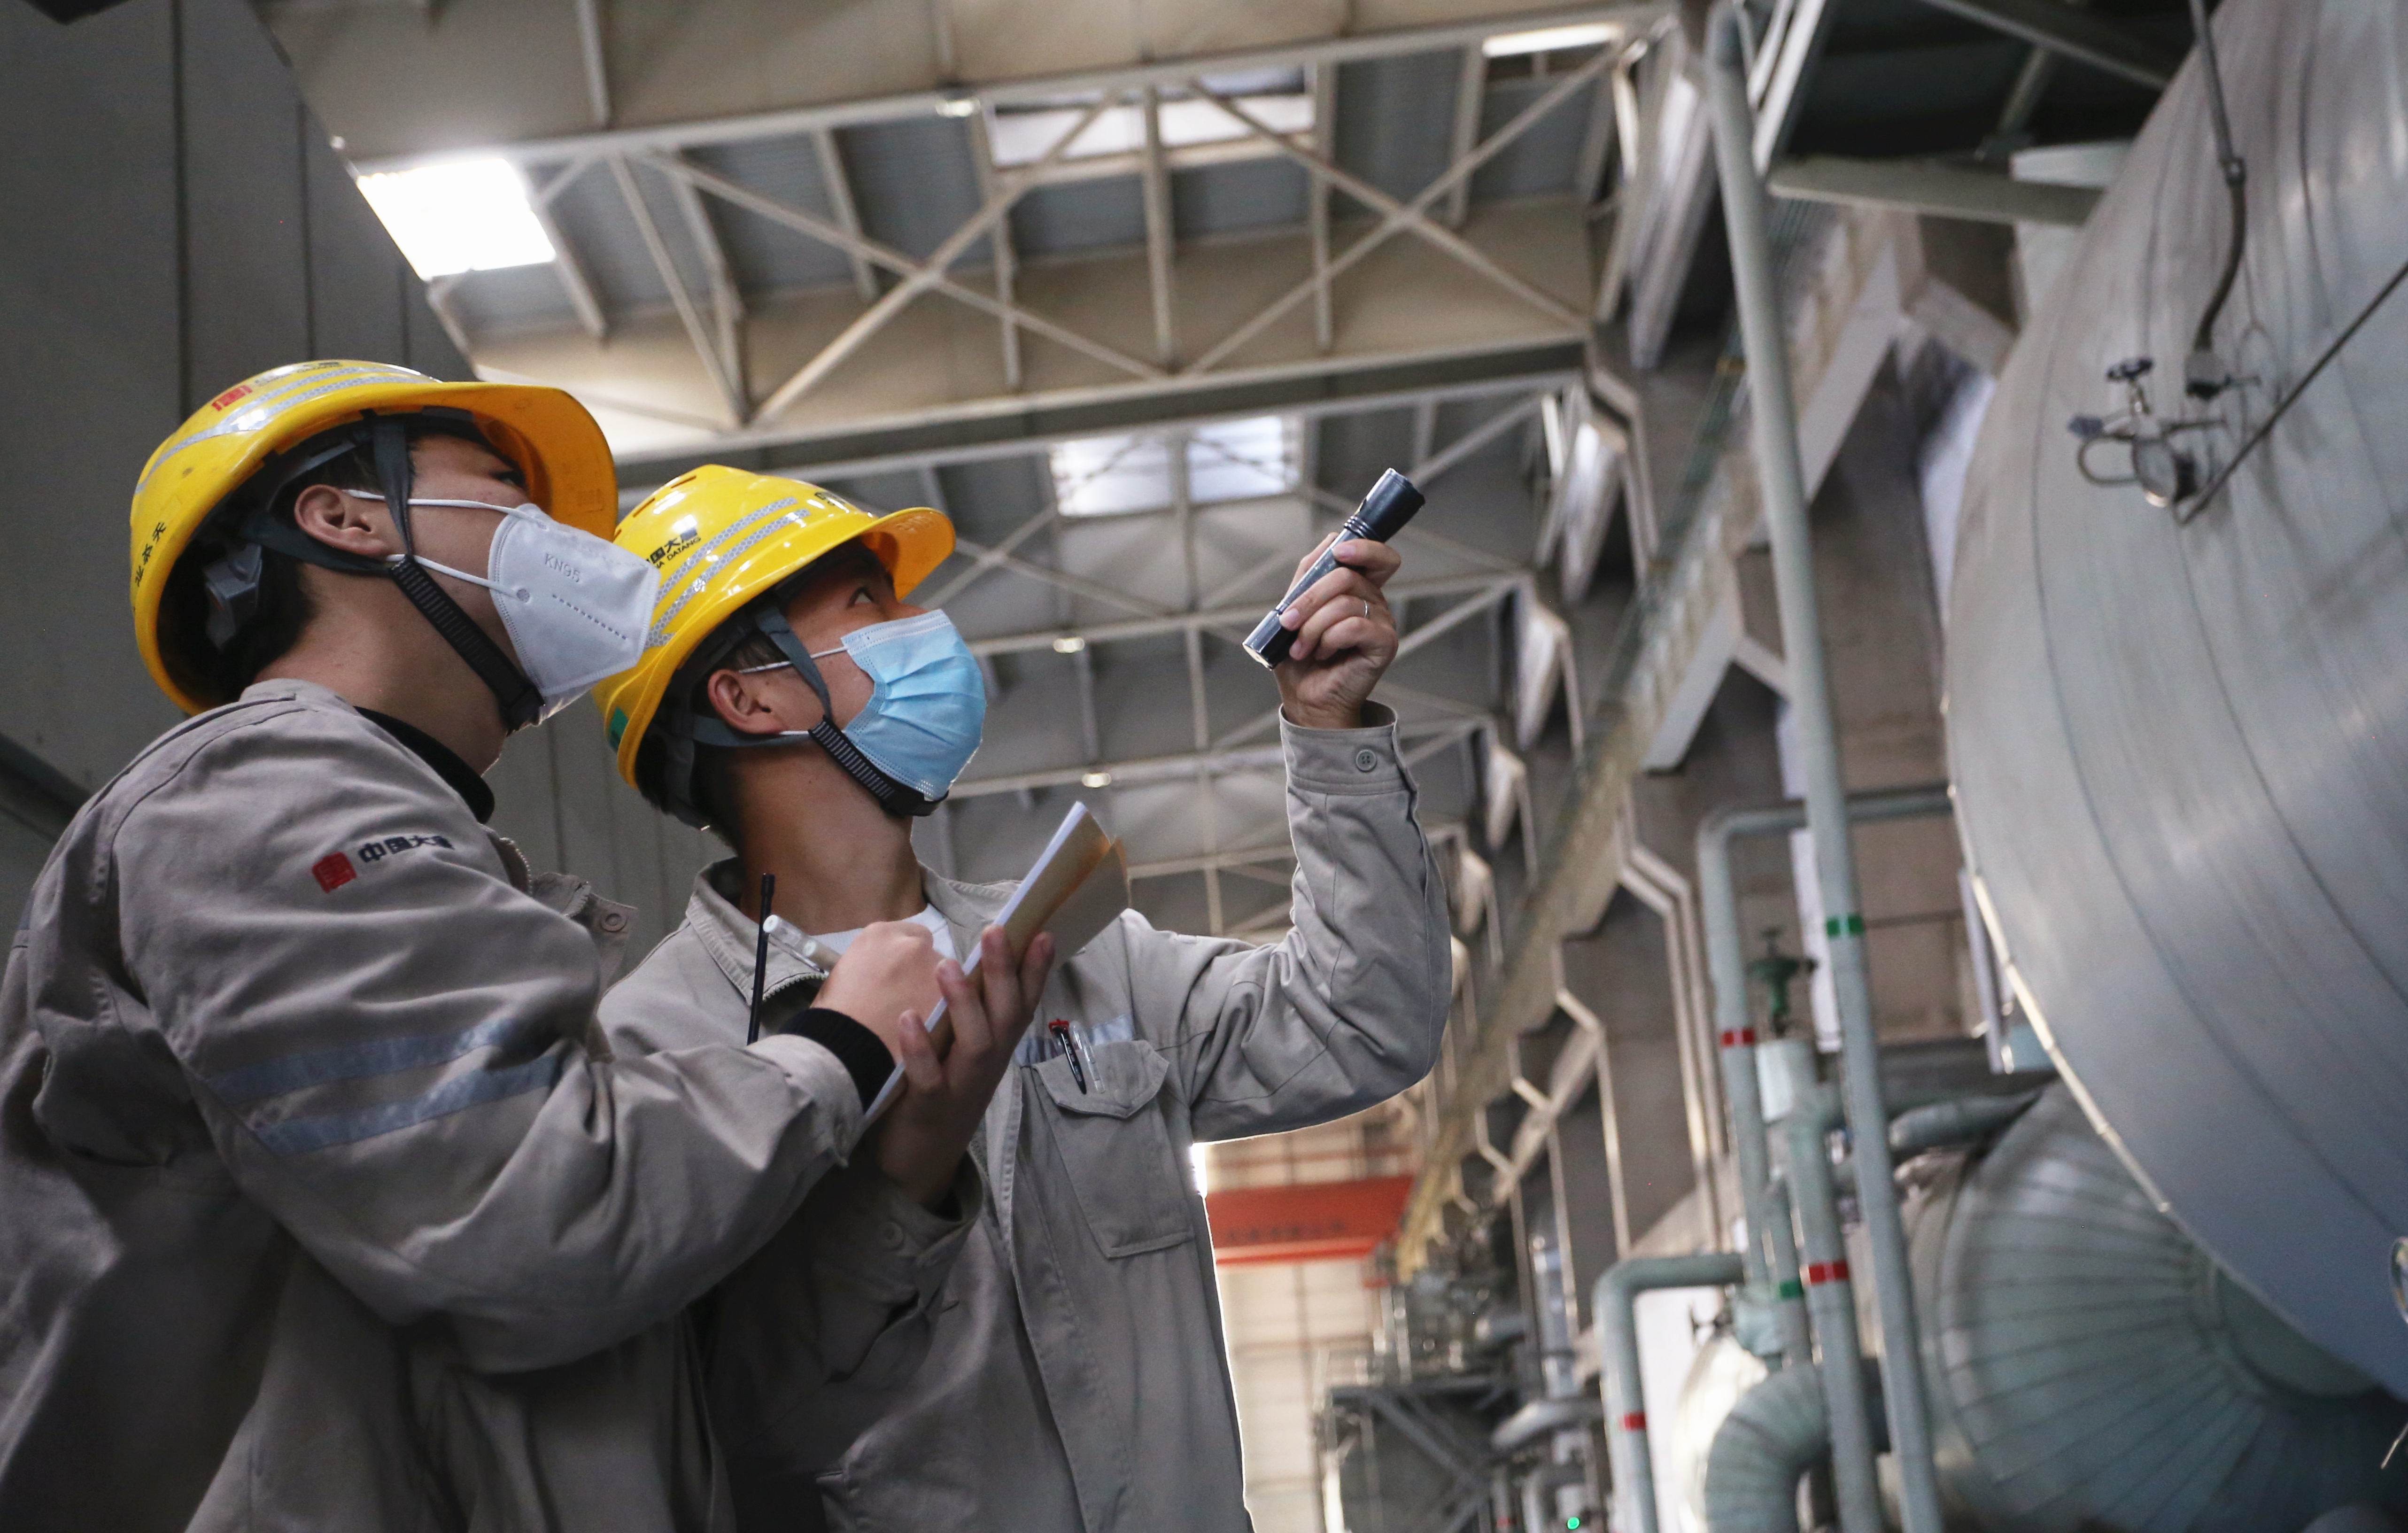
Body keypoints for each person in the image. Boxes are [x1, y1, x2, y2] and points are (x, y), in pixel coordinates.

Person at [0, 361, 1050, 1533]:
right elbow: (518, 1227)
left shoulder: (400, 841)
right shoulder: (259, 793)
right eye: (507, 489)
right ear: (344, 518)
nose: (563, 542)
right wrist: (838, 1043)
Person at [592, 463, 1452, 1531]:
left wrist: (1329, 734)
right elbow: (724, 1425)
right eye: (870, 605)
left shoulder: (1080, 953)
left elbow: (1362, 1022)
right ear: (751, 696)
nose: (927, 630)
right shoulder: (657, 1055)